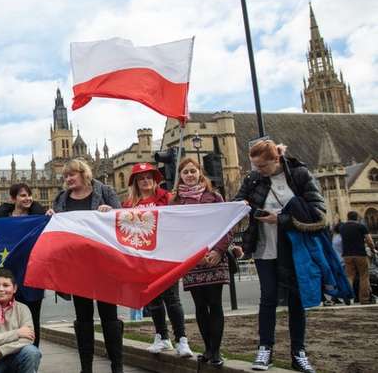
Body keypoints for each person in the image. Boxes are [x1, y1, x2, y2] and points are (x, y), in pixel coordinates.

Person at [234, 139, 324, 373]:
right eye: (255, 166)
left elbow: (318, 213)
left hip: (293, 248)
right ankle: (265, 349)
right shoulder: (253, 179)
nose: (258, 171)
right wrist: (244, 206)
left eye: (262, 166)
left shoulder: (300, 175)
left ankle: (299, 353)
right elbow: (237, 203)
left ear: (276, 160)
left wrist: (280, 220)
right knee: (268, 299)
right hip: (265, 248)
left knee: (296, 301)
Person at [47, 159, 123, 373]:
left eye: (72, 174)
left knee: (109, 317)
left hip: (104, 264)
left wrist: (111, 212)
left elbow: (122, 220)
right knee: (83, 319)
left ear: (84, 173)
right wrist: (52, 217)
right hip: (77, 266)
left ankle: (117, 367)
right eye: (65, 176)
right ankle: (86, 368)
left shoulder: (105, 191)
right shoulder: (61, 198)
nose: (68, 179)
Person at [122, 162, 192, 359]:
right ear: (135, 182)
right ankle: (162, 337)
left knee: (172, 300)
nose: (145, 181)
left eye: (149, 177)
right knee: (153, 301)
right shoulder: (129, 205)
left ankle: (182, 339)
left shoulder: (168, 198)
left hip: (166, 256)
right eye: (141, 178)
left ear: (155, 180)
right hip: (143, 259)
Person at [170, 158, 228, 366]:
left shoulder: (214, 196)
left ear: (200, 172)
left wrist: (219, 250)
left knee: (215, 304)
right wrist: (191, 252)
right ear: (181, 176)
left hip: (214, 257)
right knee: (200, 306)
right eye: (185, 172)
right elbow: (174, 230)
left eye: (193, 171)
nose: (190, 175)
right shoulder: (176, 201)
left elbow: (226, 224)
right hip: (193, 259)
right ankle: (207, 348)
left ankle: (216, 351)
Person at [0, 183, 46, 347]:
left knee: (32, 318)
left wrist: (50, 216)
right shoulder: (2, 219)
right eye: (23, 195)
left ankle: (31, 358)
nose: (28, 198)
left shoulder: (39, 217)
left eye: (29, 195)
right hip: (10, 275)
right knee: (8, 319)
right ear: (13, 198)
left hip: (32, 273)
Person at [340, 211, 376, 304]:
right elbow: (369, 240)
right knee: (364, 276)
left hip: (347, 255)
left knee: (349, 276)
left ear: (348, 217)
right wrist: (373, 249)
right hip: (360, 254)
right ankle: (364, 299)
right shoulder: (361, 226)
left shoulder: (342, 227)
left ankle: (348, 297)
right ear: (357, 218)